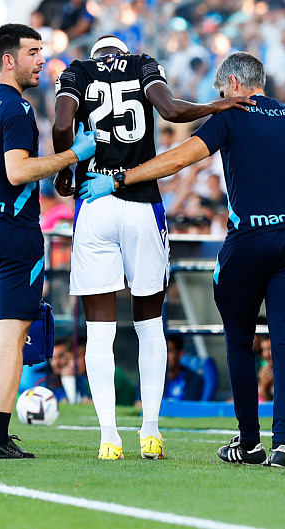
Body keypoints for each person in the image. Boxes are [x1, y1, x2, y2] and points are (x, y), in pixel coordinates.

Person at [79, 51, 285, 468]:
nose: (219, 96)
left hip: (249, 238)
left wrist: (120, 177)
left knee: (239, 343)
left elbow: (178, 159)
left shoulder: (231, 114)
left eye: (219, 90)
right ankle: (283, 444)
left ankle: (249, 443)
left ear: (232, 83)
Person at [52, 34, 253, 461]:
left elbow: (60, 124)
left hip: (94, 200)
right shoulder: (143, 64)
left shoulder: (77, 70)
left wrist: (66, 165)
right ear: (123, 54)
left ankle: (109, 437)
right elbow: (172, 110)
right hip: (142, 202)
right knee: (149, 324)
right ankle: (150, 432)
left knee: (100, 332)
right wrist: (214, 106)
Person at [0, 24, 96, 460]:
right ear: (8, 60)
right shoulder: (18, 109)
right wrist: (75, 154)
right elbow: (18, 172)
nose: (41, 59)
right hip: (12, 231)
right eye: (33, 52)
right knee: (11, 337)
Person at [163, 334, 204, 401]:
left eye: (169, 351)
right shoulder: (150, 379)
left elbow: (190, 407)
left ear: (180, 353)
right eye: (161, 351)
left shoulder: (193, 379)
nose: (164, 356)